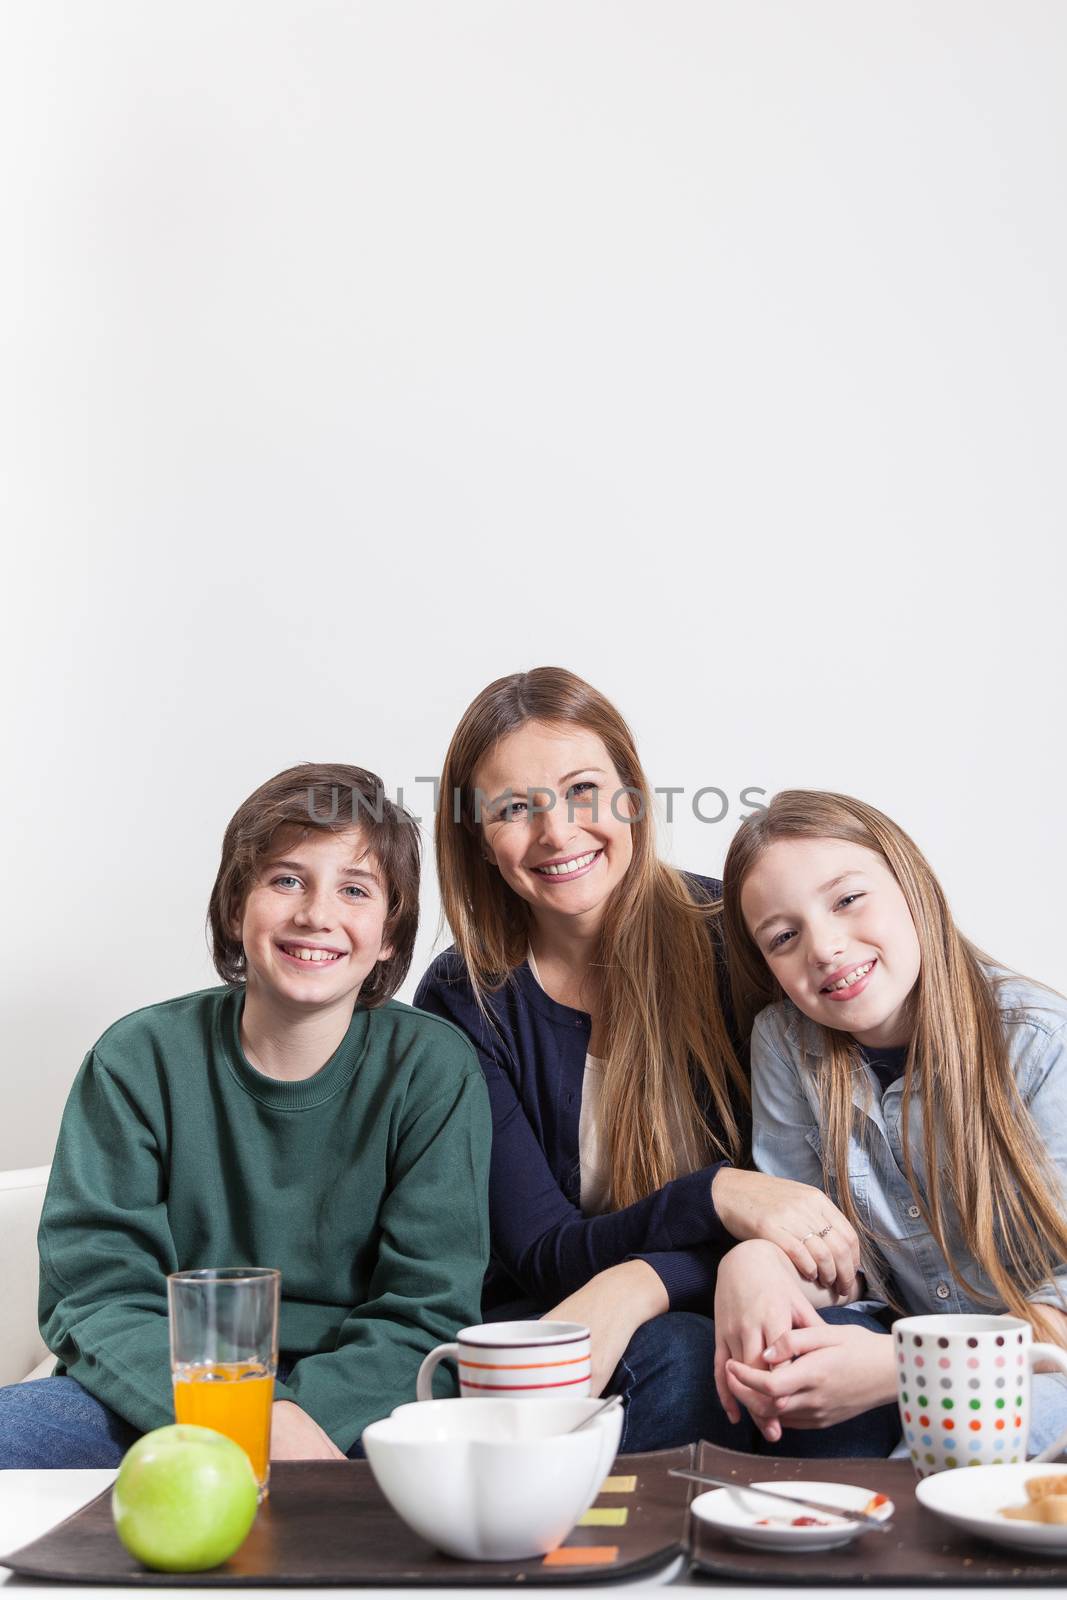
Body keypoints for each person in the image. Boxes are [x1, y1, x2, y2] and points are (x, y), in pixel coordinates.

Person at [415, 669, 897, 1455]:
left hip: (747, 1296)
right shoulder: (463, 998)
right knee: (662, 1365)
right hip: (563, 1316)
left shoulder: (739, 940)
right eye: (513, 809)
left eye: (581, 789)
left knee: (804, 1369)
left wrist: (643, 1280)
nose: (557, 833)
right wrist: (718, 1194)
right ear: (479, 840)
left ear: (632, 796)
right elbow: (539, 1252)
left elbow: (818, 1209)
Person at [0, 763, 491, 1468]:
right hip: (165, 1392)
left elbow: (428, 1307)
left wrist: (292, 1425)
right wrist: (248, 1417)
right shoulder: (137, 1059)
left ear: (389, 934)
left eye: (354, 890)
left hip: (362, 1401)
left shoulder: (432, 1068)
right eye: (286, 880)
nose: (315, 914)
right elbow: (97, 1295)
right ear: (236, 907)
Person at [717, 789, 1067, 1453]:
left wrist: (910, 1366)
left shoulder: (1040, 1042)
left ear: (912, 885)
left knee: (964, 1442)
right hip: (911, 1360)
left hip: (1042, 1363)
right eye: (783, 938)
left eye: (847, 900)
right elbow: (826, 1252)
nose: (823, 947)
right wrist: (756, 1261)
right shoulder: (787, 1045)